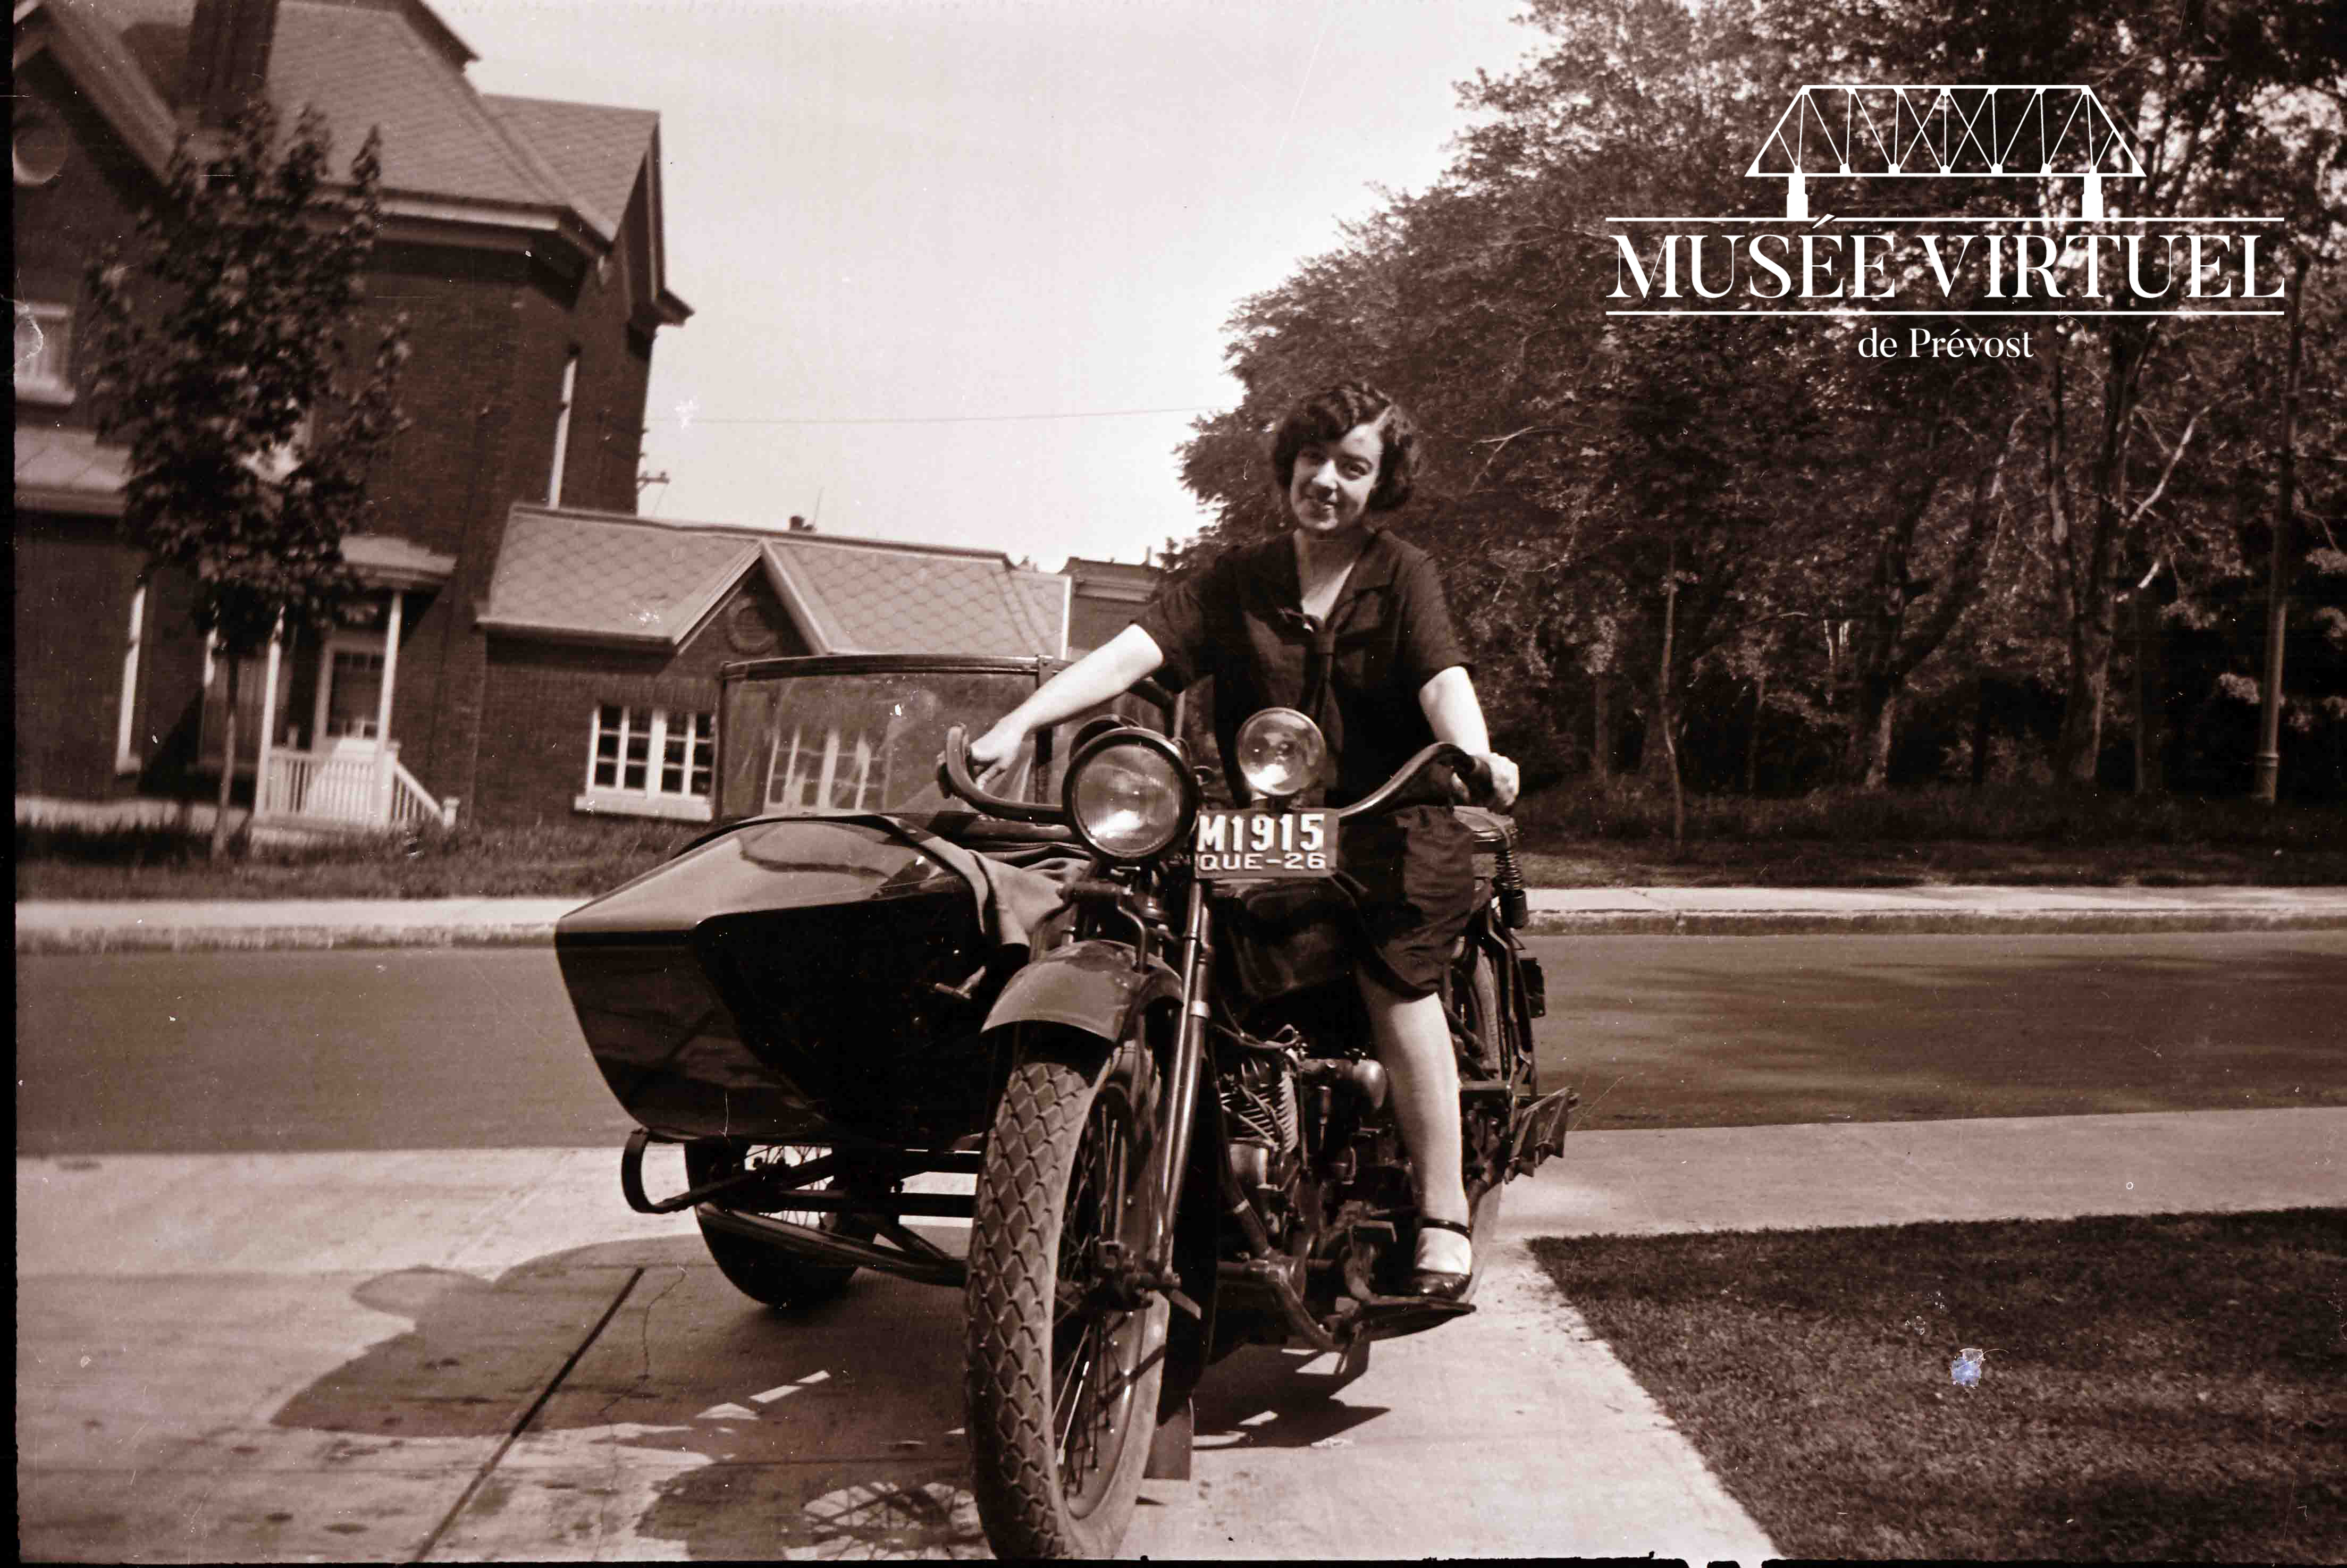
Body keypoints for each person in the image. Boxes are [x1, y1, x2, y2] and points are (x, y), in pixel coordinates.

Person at [970, 380, 1519, 1301]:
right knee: (1160, 926)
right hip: (1277, 834)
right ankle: (1204, 1156)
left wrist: (1476, 752)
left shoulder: (1402, 572)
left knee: (1395, 979)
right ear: (1289, 466)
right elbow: (1132, 651)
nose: (1329, 482)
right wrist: (1022, 722)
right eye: (1316, 460)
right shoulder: (1242, 575)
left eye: (1354, 466)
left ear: (1380, 484)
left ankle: (1441, 1214)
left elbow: (1440, 674)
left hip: (1388, 825)